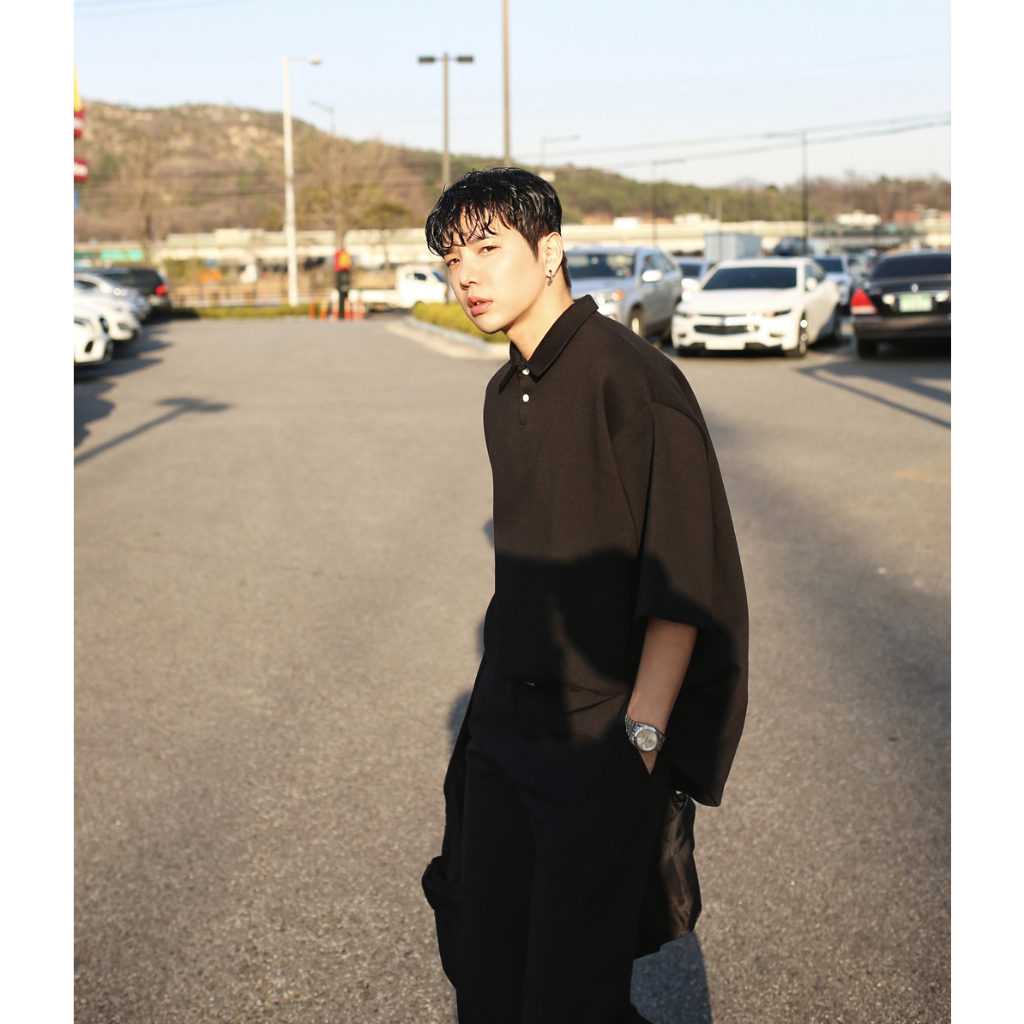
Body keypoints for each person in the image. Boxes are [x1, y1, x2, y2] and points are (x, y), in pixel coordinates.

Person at [420, 168, 748, 1024]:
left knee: (571, 993)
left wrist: (640, 737)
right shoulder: (504, 392)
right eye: (452, 258)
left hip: (598, 735)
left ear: (550, 251)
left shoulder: (630, 379)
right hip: (503, 727)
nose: (466, 275)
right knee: (487, 967)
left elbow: (684, 576)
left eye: (487, 249)